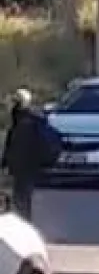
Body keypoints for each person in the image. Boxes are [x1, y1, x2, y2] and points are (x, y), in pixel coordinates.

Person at [1, 89, 60, 221]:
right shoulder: (28, 119)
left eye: (13, 101)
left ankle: (23, 223)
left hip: (24, 167)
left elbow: (17, 148)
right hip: (30, 166)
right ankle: (24, 220)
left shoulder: (24, 123)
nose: (9, 105)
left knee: (21, 198)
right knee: (23, 197)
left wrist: (8, 166)